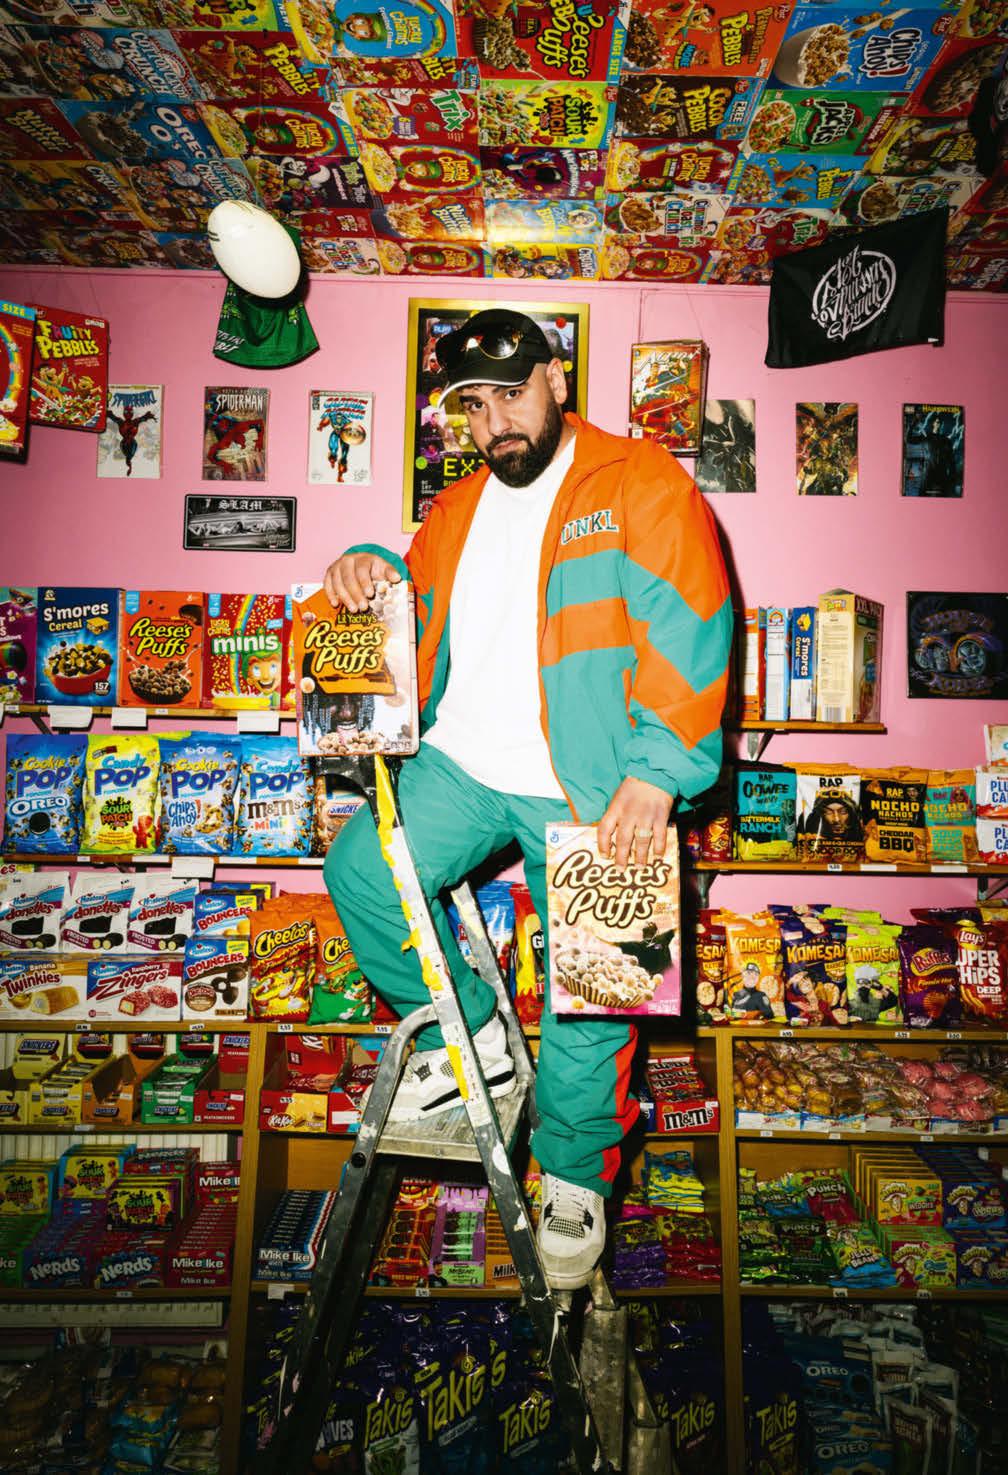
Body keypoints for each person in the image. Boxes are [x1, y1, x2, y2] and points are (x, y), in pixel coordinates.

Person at [322, 307, 732, 1290]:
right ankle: (473, 1038)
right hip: (462, 765)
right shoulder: (456, 506)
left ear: (556, 379)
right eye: (473, 406)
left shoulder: (640, 477)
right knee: (361, 871)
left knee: (600, 985)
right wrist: (368, 567)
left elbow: (692, 615)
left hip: (594, 780)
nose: (494, 421)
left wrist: (658, 771)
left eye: (511, 394)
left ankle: (576, 1177)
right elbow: (412, 610)